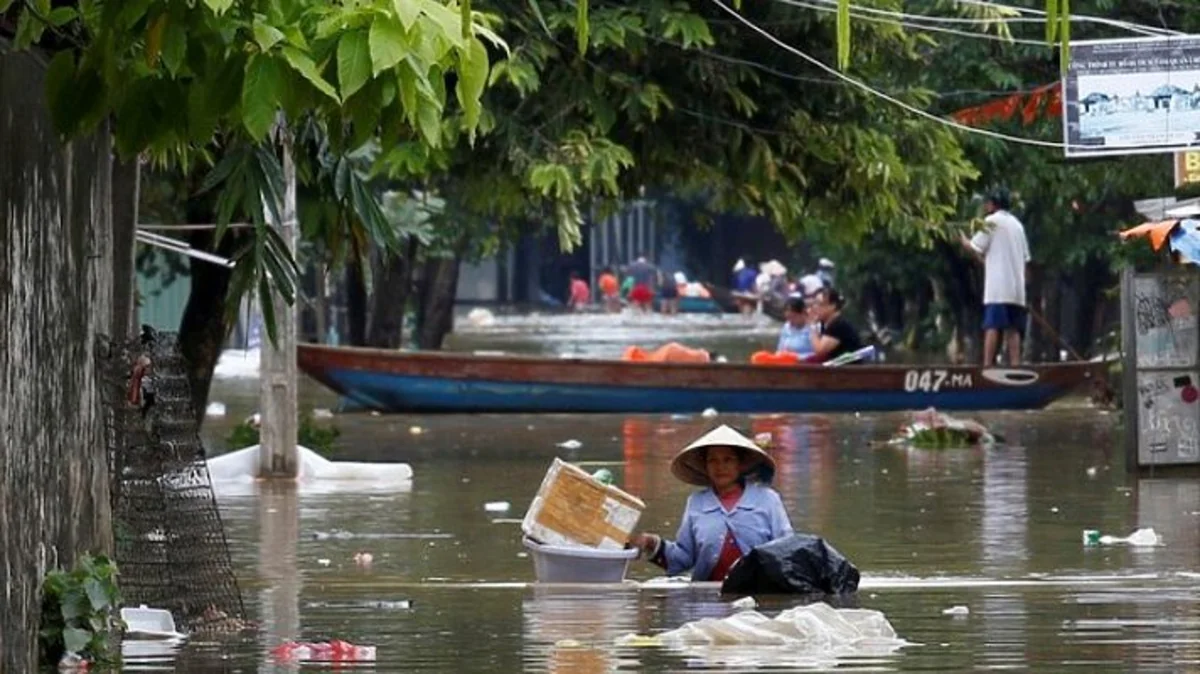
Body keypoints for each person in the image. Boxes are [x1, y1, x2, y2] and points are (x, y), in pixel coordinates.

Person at [631, 425, 793, 582]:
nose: (720, 467)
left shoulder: (767, 499)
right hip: (707, 598)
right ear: (705, 466)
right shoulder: (697, 503)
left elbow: (786, 549)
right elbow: (684, 558)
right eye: (712, 461)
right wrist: (652, 544)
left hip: (758, 593)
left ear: (740, 464)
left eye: (727, 460)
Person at [960, 188, 1030, 366]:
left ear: (992, 204)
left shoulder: (991, 222)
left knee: (992, 326)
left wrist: (961, 240)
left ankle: (987, 366)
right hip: (1017, 291)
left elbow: (974, 247)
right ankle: (1016, 365)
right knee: (1013, 330)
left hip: (998, 289)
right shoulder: (1018, 225)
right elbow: (1024, 258)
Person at [807, 287, 865, 363]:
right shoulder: (826, 323)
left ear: (833, 306)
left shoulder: (838, 325)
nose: (815, 308)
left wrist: (812, 326)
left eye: (820, 304)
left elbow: (820, 351)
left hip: (848, 371)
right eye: (815, 304)